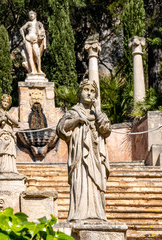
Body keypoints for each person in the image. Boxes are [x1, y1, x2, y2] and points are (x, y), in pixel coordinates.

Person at [57, 79, 111, 222]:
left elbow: (106, 129)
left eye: (92, 91)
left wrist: (97, 110)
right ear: (79, 92)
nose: (89, 93)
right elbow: (61, 128)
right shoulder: (74, 112)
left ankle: (97, 213)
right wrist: (77, 121)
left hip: (96, 154)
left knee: (96, 181)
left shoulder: (98, 114)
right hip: (80, 155)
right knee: (81, 181)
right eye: (86, 90)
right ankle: (79, 213)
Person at [0, 94, 20, 175]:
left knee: (10, 152)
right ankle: (1, 169)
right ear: (1, 102)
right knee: (2, 150)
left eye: (7, 102)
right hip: (1, 134)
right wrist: (1, 120)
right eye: (4, 101)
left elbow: (17, 124)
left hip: (10, 135)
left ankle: (11, 169)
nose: (6, 103)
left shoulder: (8, 114)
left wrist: (9, 117)